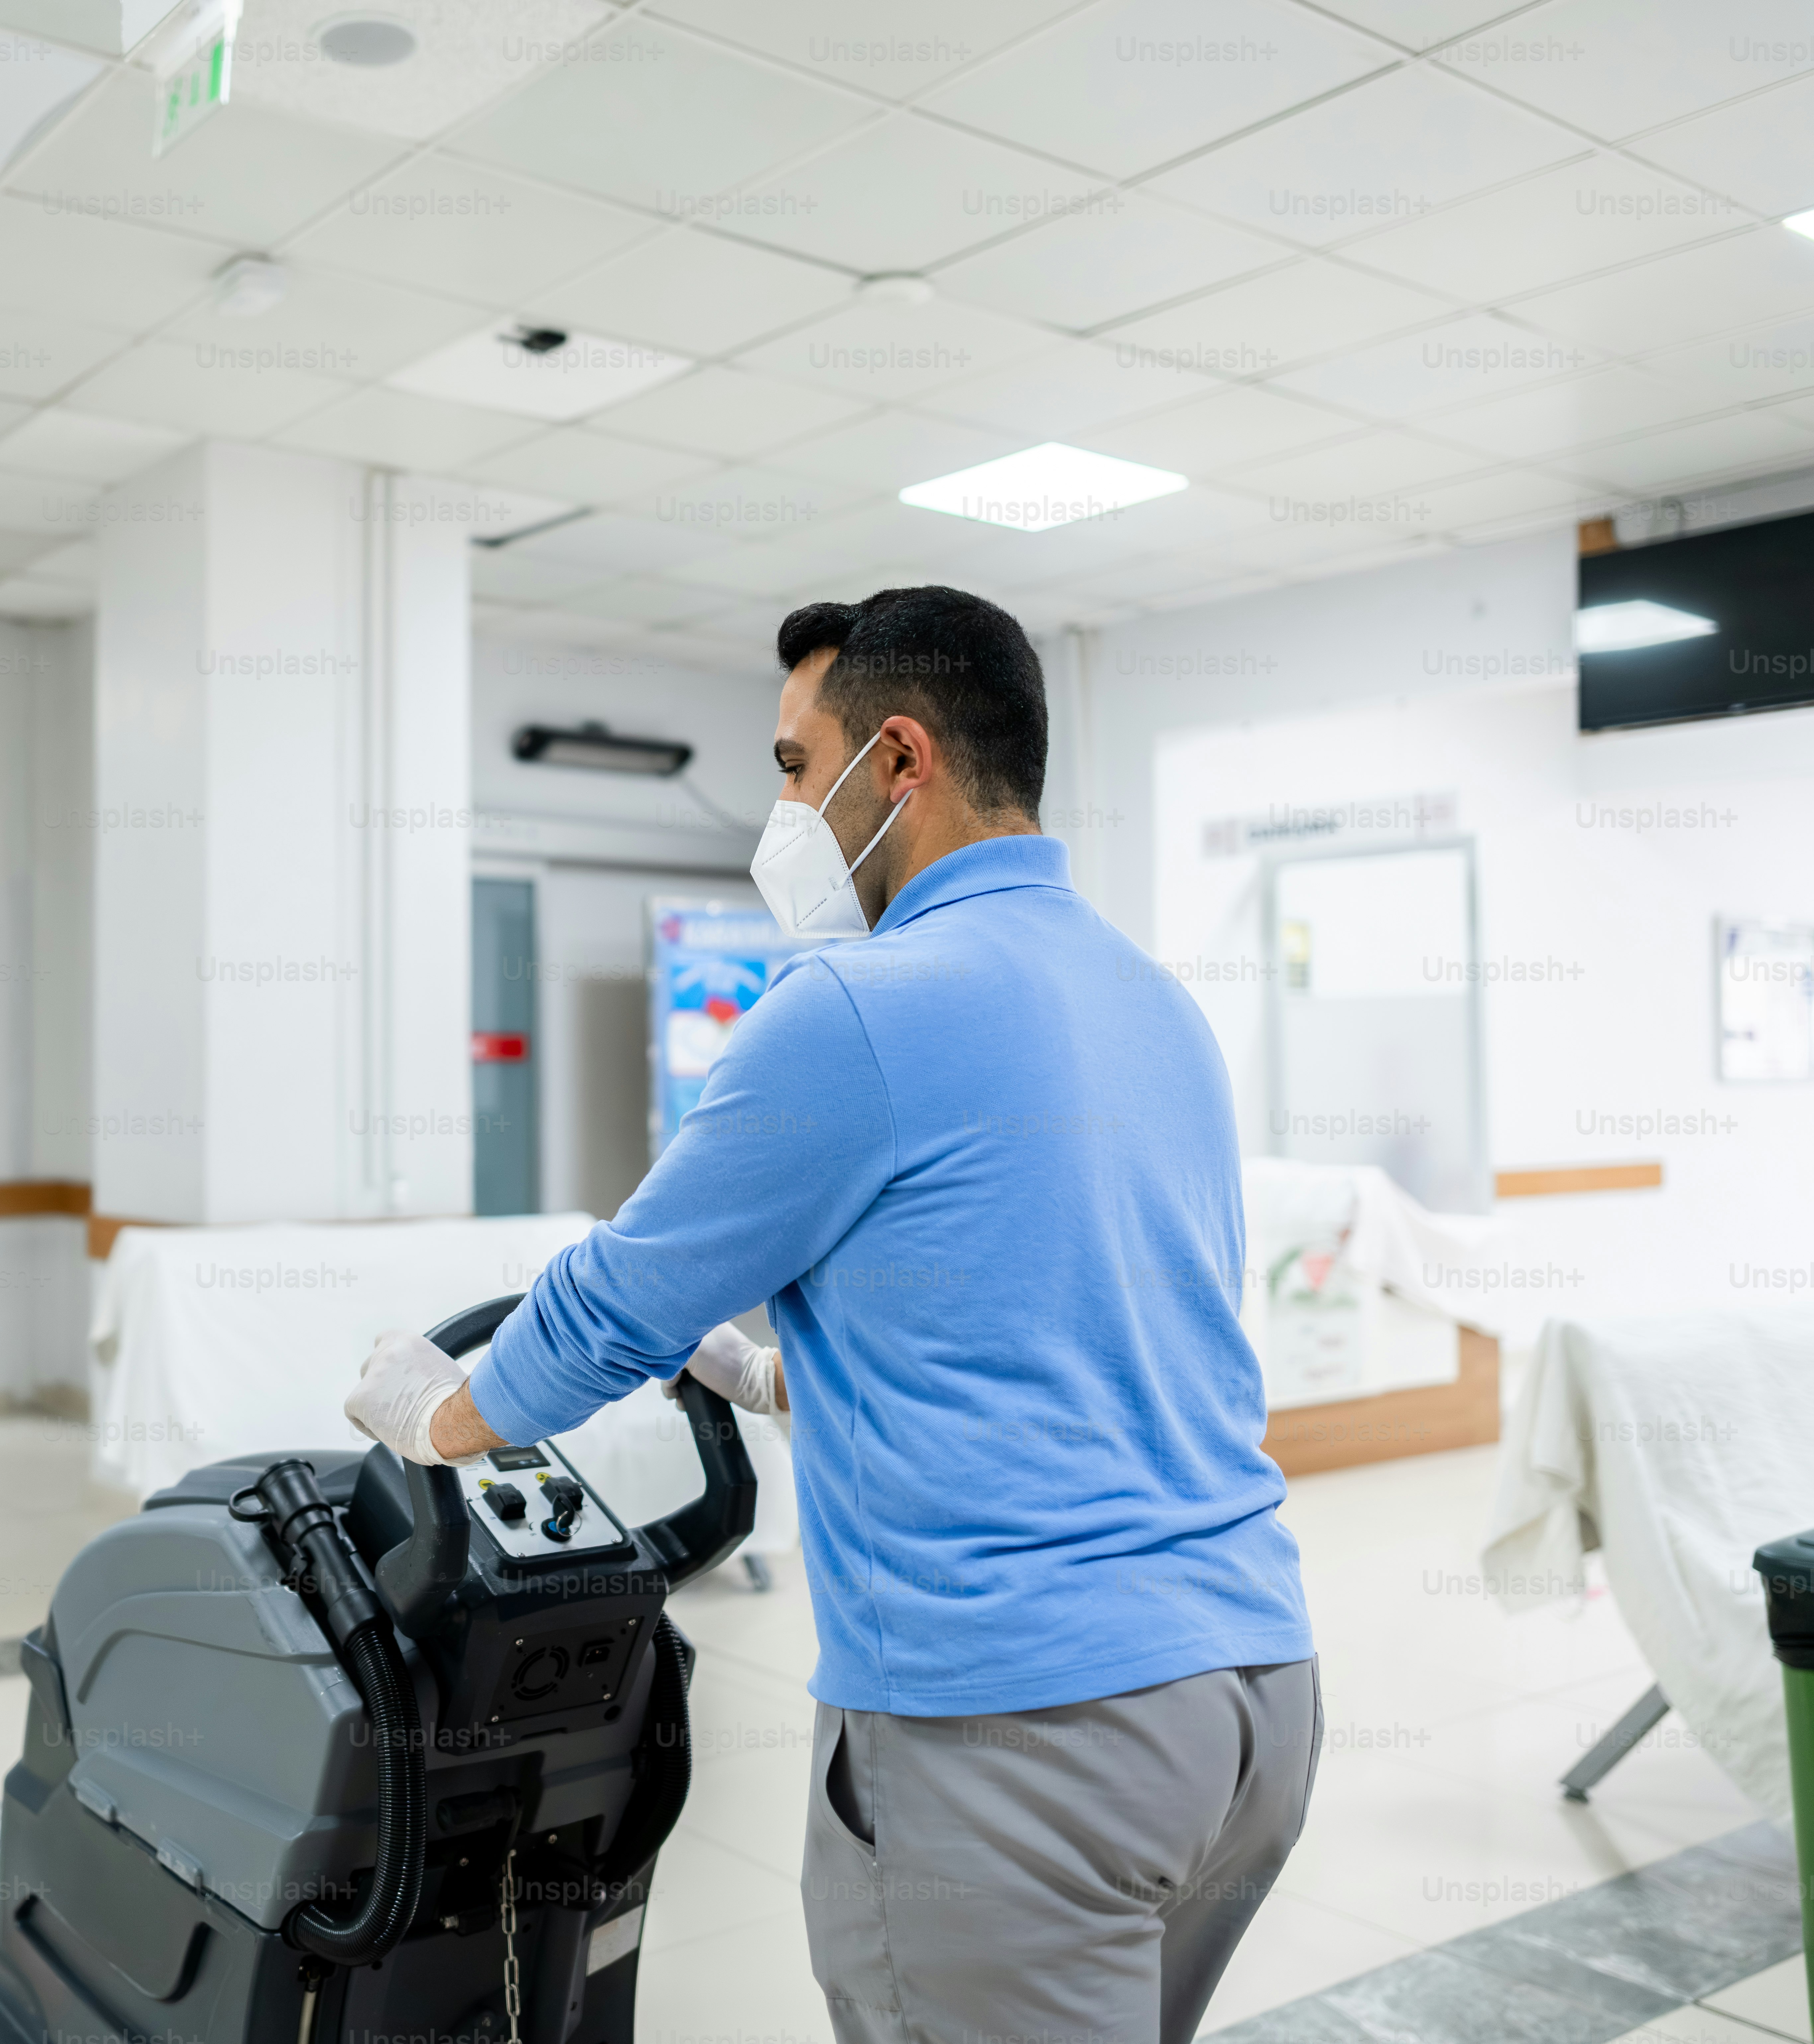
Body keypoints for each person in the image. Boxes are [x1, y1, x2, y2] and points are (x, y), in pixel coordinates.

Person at [345, 585, 1317, 2043]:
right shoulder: (1150, 1002)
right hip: (1250, 1704)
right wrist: (768, 1378)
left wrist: (436, 1417)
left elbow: (614, 1300)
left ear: (901, 761)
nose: (781, 808)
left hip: (1022, 1734)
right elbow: (1078, 1335)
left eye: (798, 767)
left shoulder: (855, 1006)